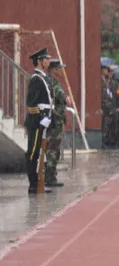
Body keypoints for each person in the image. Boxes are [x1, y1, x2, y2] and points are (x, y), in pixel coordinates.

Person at [24, 48, 54, 194]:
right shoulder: (36, 79)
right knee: (33, 153)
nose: (49, 61)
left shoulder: (44, 78)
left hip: (44, 121)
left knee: (41, 153)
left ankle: (39, 182)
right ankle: (33, 185)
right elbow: (30, 103)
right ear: (39, 61)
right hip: (36, 122)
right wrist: (41, 118)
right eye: (46, 59)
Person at [43, 60, 67, 189]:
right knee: (52, 150)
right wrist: (65, 97)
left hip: (56, 120)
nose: (61, 71)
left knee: (54, 150)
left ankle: (51, 177)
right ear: (53, 70)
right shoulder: (51, 81)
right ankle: (49, 177)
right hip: (55, 120)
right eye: (59, 69)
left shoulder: (52, 81)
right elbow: (60, 96)